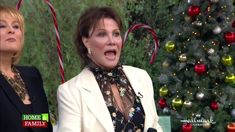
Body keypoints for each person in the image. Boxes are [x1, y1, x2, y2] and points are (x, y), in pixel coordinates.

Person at [57, 6, 163, 132]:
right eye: (102, 34)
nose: (112, 41)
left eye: (116, 34)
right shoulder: (70, 92)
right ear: (86, 42)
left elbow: (155, 125)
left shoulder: (141, 77)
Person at [0, 5, 52, 132]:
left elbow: (42, 122)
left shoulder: (32, 75)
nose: (11, 30)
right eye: (2, 26)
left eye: (16, 26)